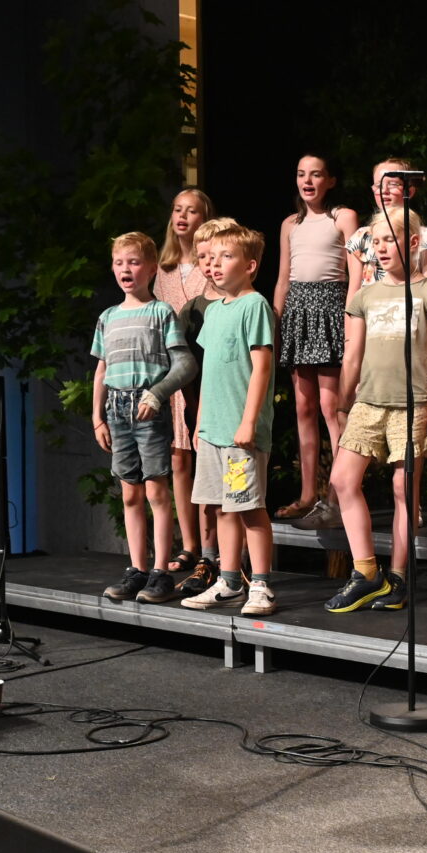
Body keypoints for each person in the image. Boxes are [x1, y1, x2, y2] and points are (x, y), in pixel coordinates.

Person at [325, 207, 427, 612]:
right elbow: (352, 354)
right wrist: (341, 402)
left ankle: (397, 576)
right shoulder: (365, 295)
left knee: (403, 490)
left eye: (389, 240)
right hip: (369, 402)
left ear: (413, 243)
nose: (380, 249)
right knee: (343, 481)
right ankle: (366, 572)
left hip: (413, 403)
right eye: (376, 242)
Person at [182, 225, 280, 616]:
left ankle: (262, 585)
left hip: (241, 435)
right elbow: (208, 369)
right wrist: (201, 418)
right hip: (213, 431)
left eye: (227, 257)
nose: (216, 264)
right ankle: (229, 581)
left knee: (249, 508)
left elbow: (261, 368)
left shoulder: (254, 305)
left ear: (251, 265)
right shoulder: (216, 311)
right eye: (213, 257)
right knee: (222, 507)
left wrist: (248, 422)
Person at [91, 232, 193, 605]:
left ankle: (161, 571)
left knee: (155, 491)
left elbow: (184, 363)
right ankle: (136, 569)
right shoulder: (108, 317)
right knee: (130, 492)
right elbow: (102, 369)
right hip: (116, 410)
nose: (125, 269)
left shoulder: (161, 312)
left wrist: (157, 393)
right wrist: (97, 418)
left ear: (151, 268)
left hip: (147, 409)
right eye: (119, 262)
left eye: (133, 262)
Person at [272, 156, 359, 525]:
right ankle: (309, 494)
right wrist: (274, 327)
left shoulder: (343, 216)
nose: (307, 180)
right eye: (301, 174)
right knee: (303, 408)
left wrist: (350, 316)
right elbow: (283, 279)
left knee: (331, 407)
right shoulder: (291, 223)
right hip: (298, 311)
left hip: (330, 306)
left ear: (331, 180)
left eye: (316, 174)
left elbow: (356, 271)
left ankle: (339, 494)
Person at [172, 217, 237, 597]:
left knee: (236, 494)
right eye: (203, 256)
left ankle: (234, 564)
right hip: (201, 409)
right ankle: (207, 559)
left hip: (234, 410)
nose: (211, 263)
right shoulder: (193, 310)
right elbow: (187, 366)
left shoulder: (243, 303)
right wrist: (194, 412)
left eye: (218, 253)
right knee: (206, 491)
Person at [154, 187, 217, 582]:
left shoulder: (211, 264)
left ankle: (214, 549)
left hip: (207, 366)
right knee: (179, 456)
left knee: (207, 455)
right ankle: (189, 543)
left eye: (191, 211)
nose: (182, 217)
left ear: (204, 219)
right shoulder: (162, 269)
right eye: (177, 209)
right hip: (174, 372)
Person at [346, 158, 427, 289]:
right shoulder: (361, 236)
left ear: (409, 191)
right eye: (378, 185)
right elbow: (354, 291)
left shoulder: (424, 236)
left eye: (392, 184)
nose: (384, 190)